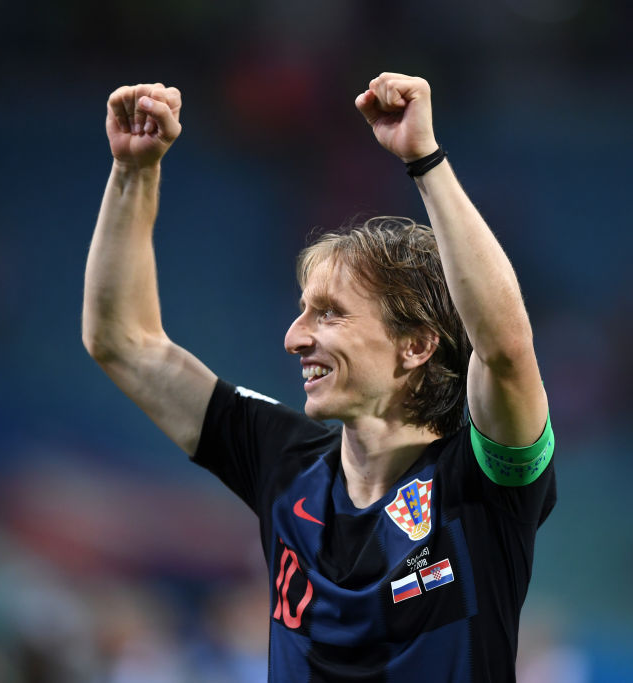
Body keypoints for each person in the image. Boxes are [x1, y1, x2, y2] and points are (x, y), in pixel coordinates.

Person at [83, 72, 556, 682]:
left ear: (415, 344)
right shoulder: (283, 461)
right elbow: (122, 343)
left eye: (328, 313)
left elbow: (506, 351)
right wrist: (132, 172)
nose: (293, 337)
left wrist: (426, 161)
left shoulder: (484, 482)